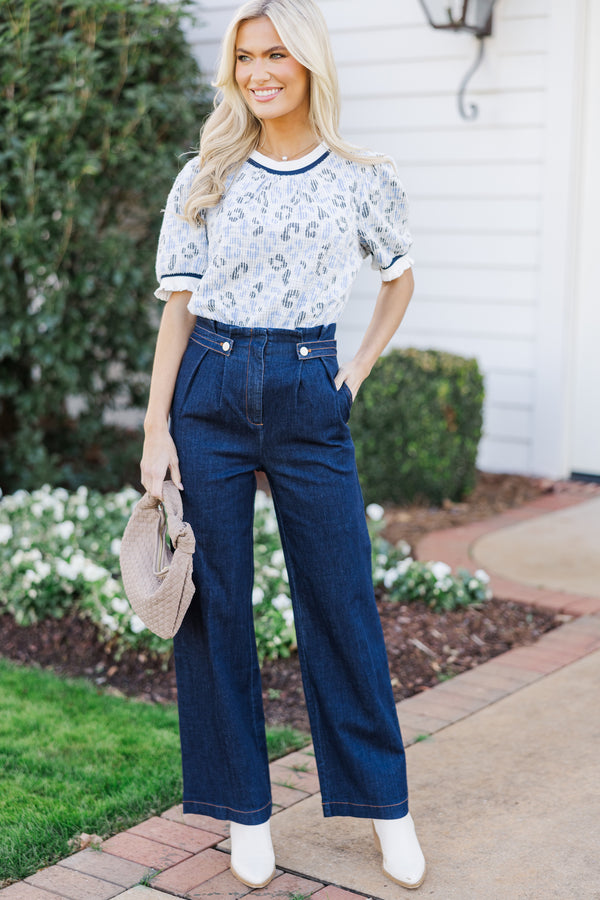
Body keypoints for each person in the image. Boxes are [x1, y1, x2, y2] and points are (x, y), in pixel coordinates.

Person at [140, 0, 426, 890]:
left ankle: (386, 806)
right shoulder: (206, 173)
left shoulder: (359, 175)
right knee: (218, 606)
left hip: (310, 388)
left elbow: (399, 278)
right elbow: (179, 308)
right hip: (212, 388)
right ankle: (245, 815)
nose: (260, 72)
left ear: (307, 64)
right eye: (246, 58)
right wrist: (157, 430)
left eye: (276, 55)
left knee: (341, 600)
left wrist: (356, 372)